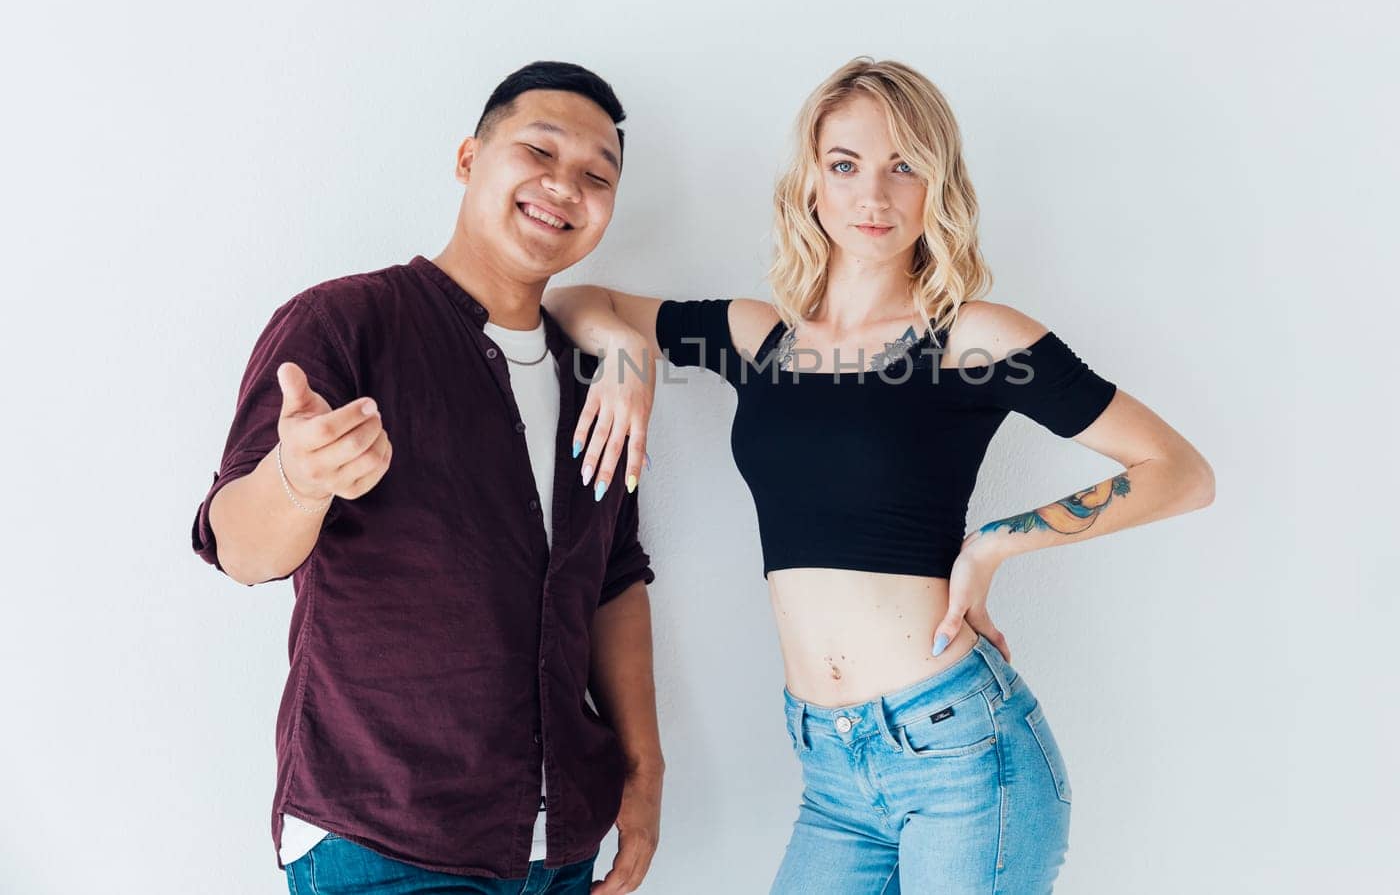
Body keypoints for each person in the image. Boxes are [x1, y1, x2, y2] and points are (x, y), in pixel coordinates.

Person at [546, 57, 1216, 893]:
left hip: (964, 759)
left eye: (904, 166)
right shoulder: (761, 340)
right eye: (846, 164)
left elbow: (1180, 472)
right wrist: (622, 354)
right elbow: (573, 299)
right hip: (830, 769)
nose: (874, 195)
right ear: (812, 182)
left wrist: (996, 543)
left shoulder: (975, 339)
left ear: (939, 185)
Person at [190, 62, 664, 895]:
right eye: (539, 151)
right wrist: (300, 480)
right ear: (467, 158)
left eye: (597, 175)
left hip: (565, 849)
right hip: (386, 838)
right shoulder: (345, 322)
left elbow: (614, 579)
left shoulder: (596, 377)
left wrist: (643, 767)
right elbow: (238, 545)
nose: (565, 186)